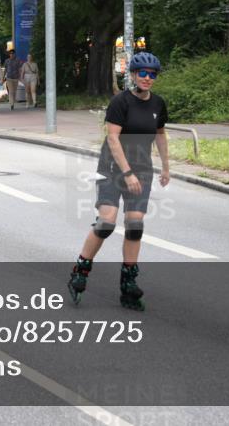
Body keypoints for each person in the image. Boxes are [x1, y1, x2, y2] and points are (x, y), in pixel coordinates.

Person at [67, 52, 170, 311]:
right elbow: (113, 139)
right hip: (113, 169)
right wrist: (126, 173)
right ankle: (81, 270)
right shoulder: (120, 102)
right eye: (142, 73)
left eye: (152, 74)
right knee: (106, 223)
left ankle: (128, 283)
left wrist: (166, 167)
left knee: (135, 225)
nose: (147, 78)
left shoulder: (158, 104)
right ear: (133, 75)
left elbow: (160, 135)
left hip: (143, 170)